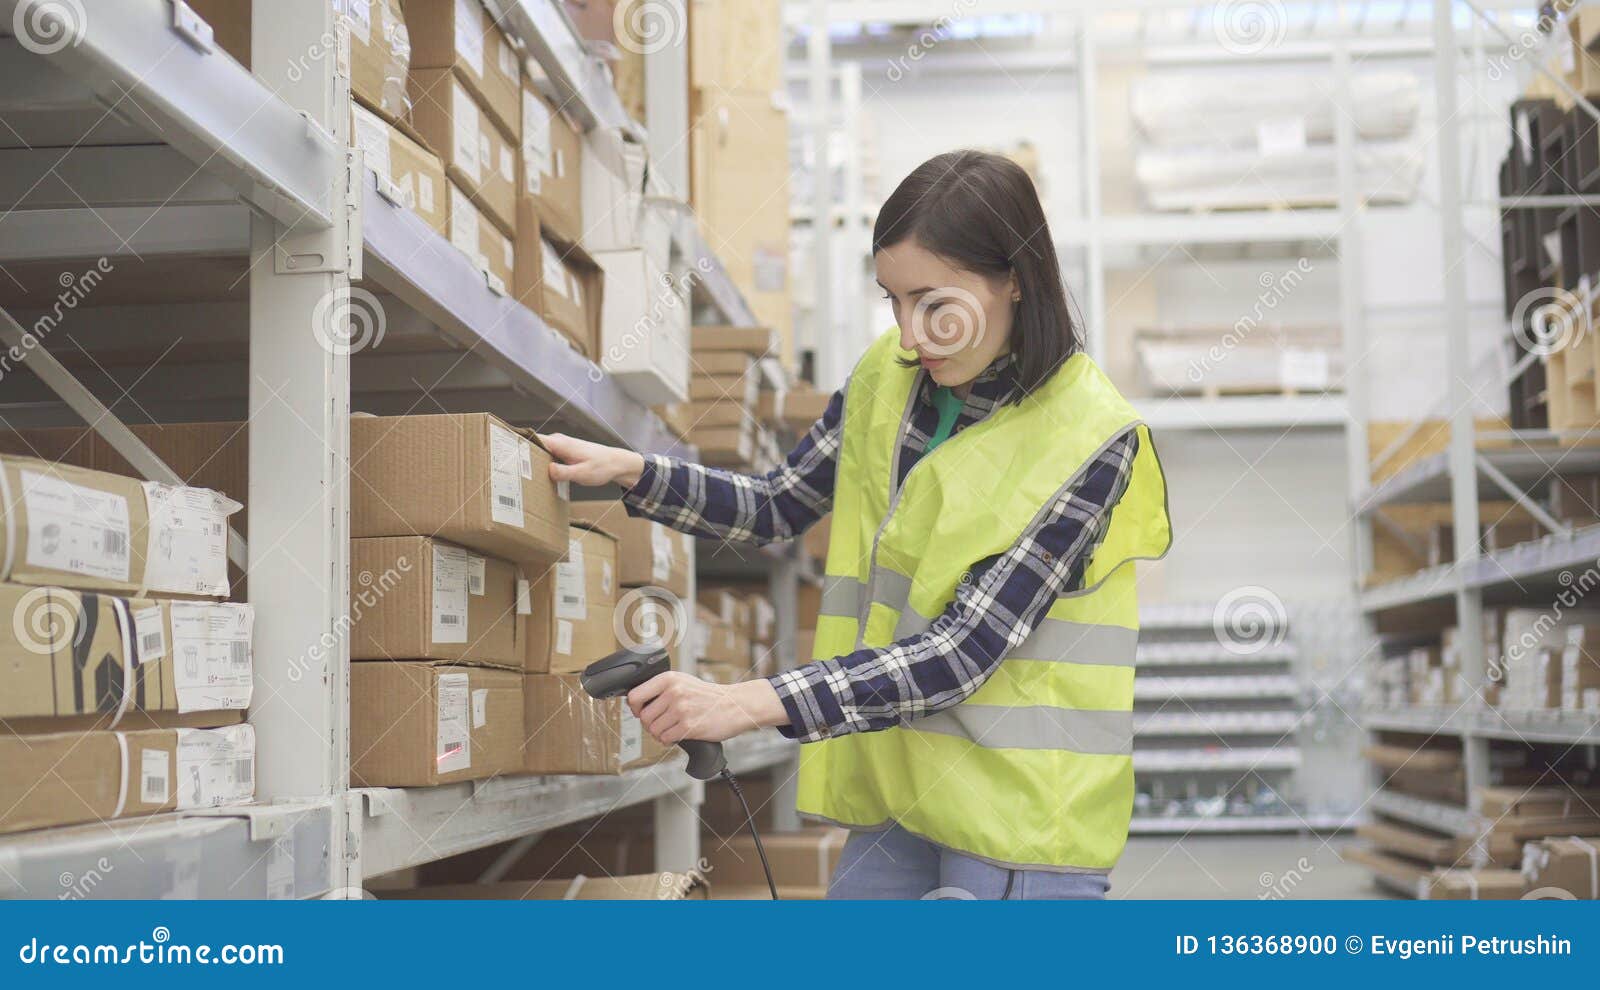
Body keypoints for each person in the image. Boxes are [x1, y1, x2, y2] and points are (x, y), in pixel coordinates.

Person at [541, 149, 1171, 900]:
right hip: (905, 792)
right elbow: (777, 504)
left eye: (932, 302)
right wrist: (635, 472)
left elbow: (962, 652)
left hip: (1023, 819)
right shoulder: (888, 379)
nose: (909, 335)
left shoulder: (1091, 437)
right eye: (893, 301)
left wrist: (741, 704)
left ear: (1015, 277)